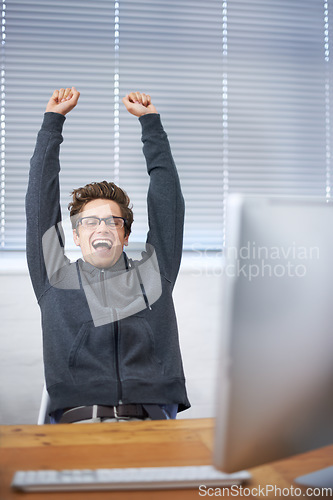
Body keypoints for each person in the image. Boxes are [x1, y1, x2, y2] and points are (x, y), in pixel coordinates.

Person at [26, 87, 190, 423]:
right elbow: (39, 205)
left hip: (153, 423)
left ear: (125, 235)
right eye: (89, 221)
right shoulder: (55, 278)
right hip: (78, 425)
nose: (101, 227)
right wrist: (52, 124)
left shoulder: (153, 277)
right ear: (75, 235)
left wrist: (151, 126)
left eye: (112, 222)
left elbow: (167, 203)